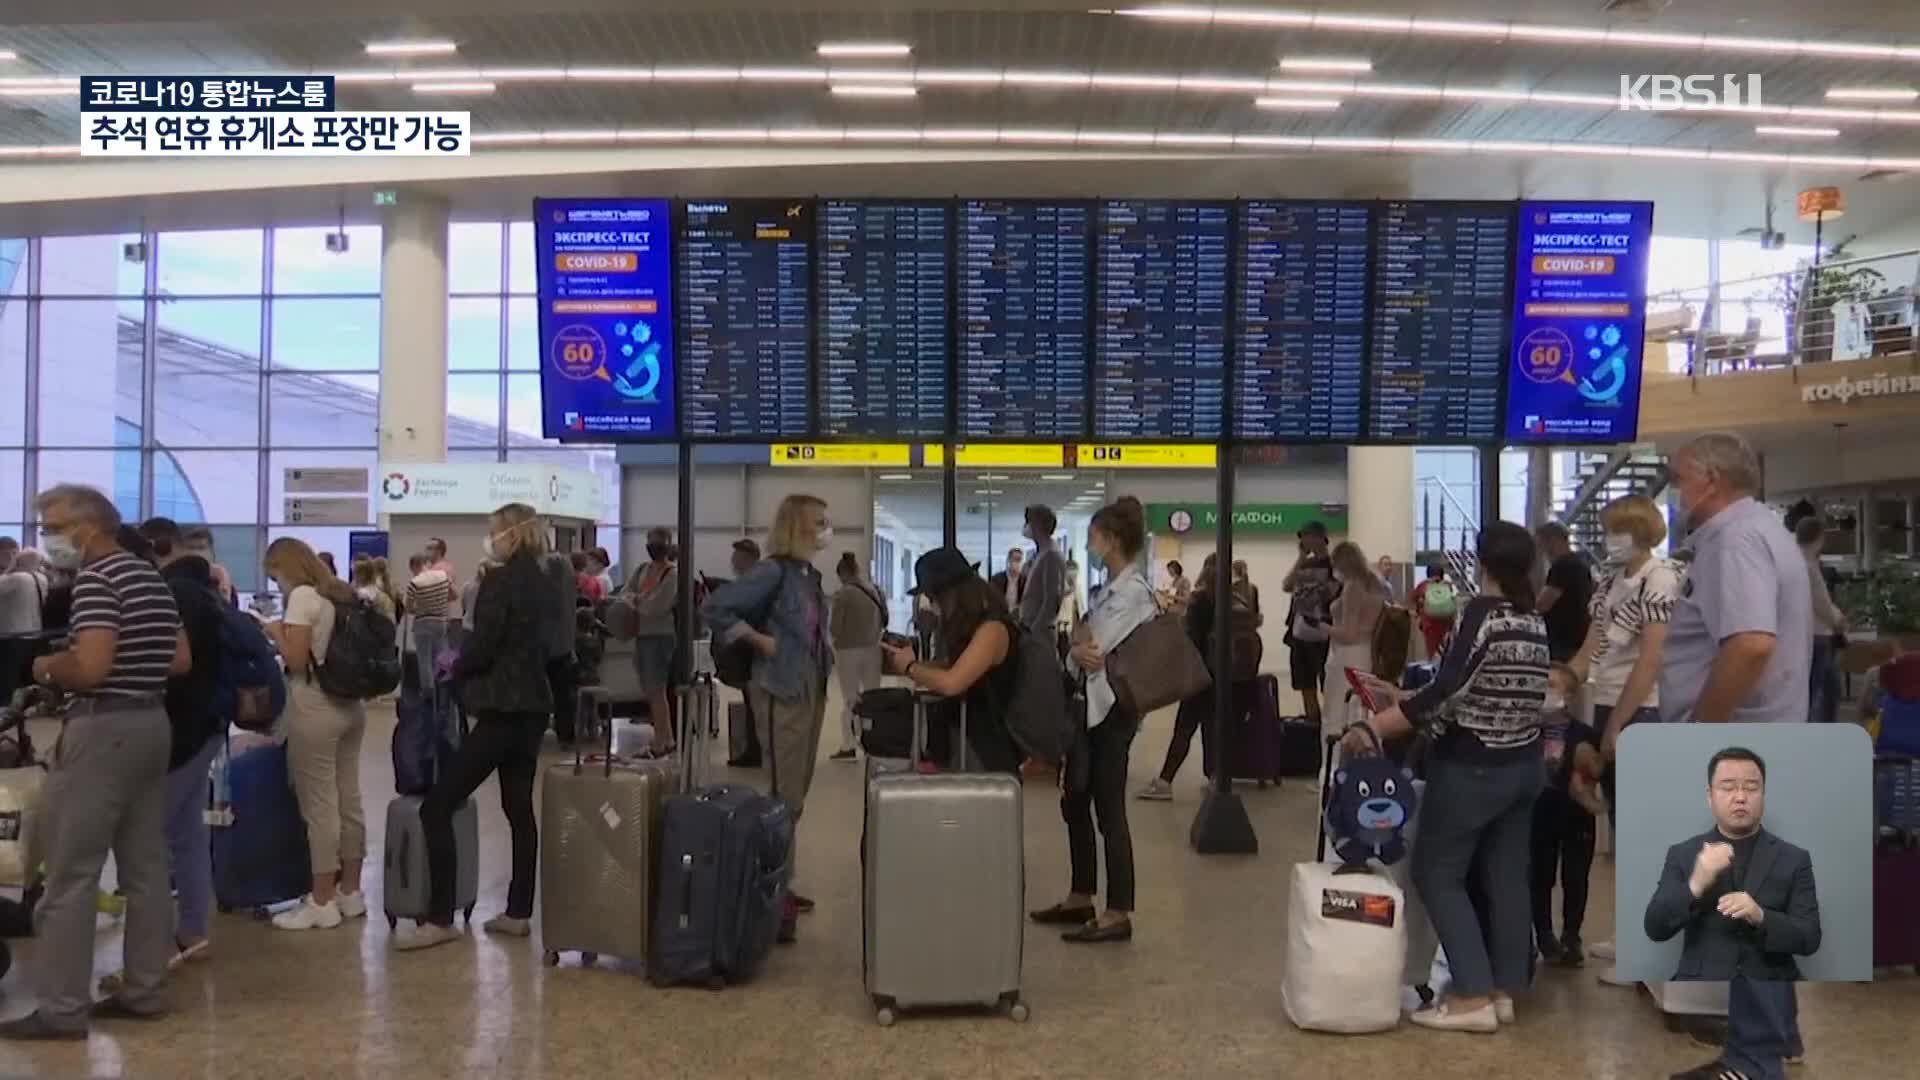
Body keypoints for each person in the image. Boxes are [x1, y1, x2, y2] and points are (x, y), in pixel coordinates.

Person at [1341, 521, 1551, 1032]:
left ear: (1482, 563)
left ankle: (1472, 996)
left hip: (1474, 768)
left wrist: (1374, 724)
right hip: (1524, 767)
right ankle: (1504, 989)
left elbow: (1448, 691)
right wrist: (1410, 702)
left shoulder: (1481, 613)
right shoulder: (1531, 619)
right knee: (1505, 878)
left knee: (1437, 873)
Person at [0, 489, 185, 1040]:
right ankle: (146, 991)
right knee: (146, 870)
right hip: (152, 725)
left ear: (88, 528)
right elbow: (180, 659)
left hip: (103, 730)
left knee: (68, 873)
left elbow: (93, 668)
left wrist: (48, 666)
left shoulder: (99, 580)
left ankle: (60, 1009)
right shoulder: (150, 576)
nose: (47, 537)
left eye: (52, 526)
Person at [398, 504, 556, 951]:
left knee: (438, 805)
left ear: (513, 534)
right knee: (519, 809)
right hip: (533, 707)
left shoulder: (499, 581)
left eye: (494, 532)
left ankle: (439, 916)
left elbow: (484, 645)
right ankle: (519, 911)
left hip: (500, 708)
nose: (491, 540)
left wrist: (457, 665)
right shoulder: (547, 580)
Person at [702, 494, 834, 935]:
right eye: (819, 521)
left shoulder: (807, 575)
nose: (825, 528)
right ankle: (772, 893)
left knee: (795, 792)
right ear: (797, 526)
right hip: (780, 686)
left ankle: (781, 884)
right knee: (783, 794)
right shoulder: (772, 570)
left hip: (808, 685)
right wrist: (760, 641)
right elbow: (715, 608)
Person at [1647, 748, 1820, 1080]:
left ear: (1763, 795)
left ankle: (1752, 1064)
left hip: (1767, 978)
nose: (1740, 796)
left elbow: (1809, 937)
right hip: (1701, 984)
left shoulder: (1794, 858)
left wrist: (1761, 915)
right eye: (1728, 787)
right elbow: (1654, 927)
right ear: (1709, 797)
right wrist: (1697, 883)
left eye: (1751, 788)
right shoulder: (1684, 854)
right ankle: (1752, 1056)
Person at [1030, 499, 1157, 945]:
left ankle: (1118, 910)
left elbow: (1093, 645)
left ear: (1111, 539)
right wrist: (1076, 648)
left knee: (1109, 811)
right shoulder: (1107, 590)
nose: (1088, 541)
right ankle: (1080, 894)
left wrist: (1080, 647)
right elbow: (1077, 648)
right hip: (1088, 709)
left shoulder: (1134, 593)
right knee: (1075, 802)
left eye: (1094, 534)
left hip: (1112, 714)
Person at [1568, 494, 1682, 974]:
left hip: (1640, 710)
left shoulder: (1660, 580)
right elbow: (1589, 649)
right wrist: (1559, 683)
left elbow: (1650, 660)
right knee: (1620, 830)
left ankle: (1647, 948)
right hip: (1603, 701)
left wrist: (1617, 726)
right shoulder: (1611, 582)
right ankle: (1629, 933)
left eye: (1616, 528)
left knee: (1640, 833)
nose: (1609, 537)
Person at [127, 518, 226, 978]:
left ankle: (148, 955)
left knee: (148, 840)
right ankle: (193, 931)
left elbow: (176, 662)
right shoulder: (205, 590)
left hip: (180, 727)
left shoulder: (174, 594)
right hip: (206, 724)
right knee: (187, 836)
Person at [1660, 432, 1812, 726]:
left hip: (1733, 741)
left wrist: (1702, 731)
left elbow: (1750, 644)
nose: (1674, 490)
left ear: (1711, 480)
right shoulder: (1762, 529)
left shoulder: (1735, 540)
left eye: (1679, 479)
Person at [261, 537, 370, 932]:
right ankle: (351, 892)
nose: (274, 582)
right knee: (349, 798)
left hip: (315, 704)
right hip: (351, 706)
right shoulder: (341, 594)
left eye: (274, 573)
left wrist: (273, 630)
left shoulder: (302, 597)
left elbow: (295, 660)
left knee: (319, 805)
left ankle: (321, 899)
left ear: (285, 567)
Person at [881, 547, 1023, 775]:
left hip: (987, 753)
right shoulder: (974, 628)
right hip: (967, 742)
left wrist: (911, 667)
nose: (932, 604)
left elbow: (952, 682)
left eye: (933, 597)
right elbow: (956, 667)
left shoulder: (992, 630)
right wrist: (916, 665)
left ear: (951, 593)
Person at [1139, 553, 1251, 800]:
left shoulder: (1200, 600)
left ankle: (1165, 781)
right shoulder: (1233, 599)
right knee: (1214, 727)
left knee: (1185, 727)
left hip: (1200, 672)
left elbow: (1190, 638)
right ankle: (1216, 778)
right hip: (1225, 674)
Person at [1531, 663, 1606, 968]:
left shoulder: (1586, 734)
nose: (1544, 693)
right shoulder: (1526, 733)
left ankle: (1572, 935)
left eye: (1551, 686)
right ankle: (1545, 935)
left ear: (1570, 695)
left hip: (1575, 814)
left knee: (1576, 876)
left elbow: (1599, 773)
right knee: (1539, 876)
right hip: (1539, 811)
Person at [1323, 540, 1388, 779]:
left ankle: (1333, 773)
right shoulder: (1376, 584)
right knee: (1359, 714)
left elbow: (1348, 633)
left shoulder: (1353, 586)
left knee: (1337, 715)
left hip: (1348, 655)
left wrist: (1323, 627)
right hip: (1367, 654)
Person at [620, 526, 681, 757]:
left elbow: (658, 607)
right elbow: (625, 593)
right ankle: (665, 737)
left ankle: (663, 740)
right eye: (650, 540)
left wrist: (637, 602)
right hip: (642, 635)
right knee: (649, 689)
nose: (654, 545)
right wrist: (638, 601)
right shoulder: (642, 570)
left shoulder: (672, 575)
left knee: (657, 689)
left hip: (661, 637)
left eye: (658, 541)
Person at [828, 552, 886, 763]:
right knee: (873, 698)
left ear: (843, 573)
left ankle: (849, 745)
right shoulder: (875, 590)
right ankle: (875, 743)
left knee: (851, 699)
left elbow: (835, 627)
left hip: (849, 652)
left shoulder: (843, 594)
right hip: (873, 649)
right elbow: (883, 621)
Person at [1283, 521, 1335, 736]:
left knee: (1327, 684)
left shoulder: (1334, 565)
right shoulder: (1304, 564)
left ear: (1320, 537)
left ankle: (1329, 725)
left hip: (1324, 632)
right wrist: (1301, 559)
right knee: (1305, 683)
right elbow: (1287, 585)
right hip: (1299, 631)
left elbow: (1334, 592)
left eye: (1307, 536)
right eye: (1302, 538)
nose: (1303, 541)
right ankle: (1312, 727)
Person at [1796, 517, 1844, 724]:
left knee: (1819, 687)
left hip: (1803, 634)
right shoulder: (1808, 565)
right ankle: (1822, 731)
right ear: (1819, 537)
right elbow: (1822, 603)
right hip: (1818, 635)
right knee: (1820, 690)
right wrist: (1838, 620)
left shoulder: (1794, 560)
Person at [727, 537, 764, 768]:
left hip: (756, 651)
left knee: (755, 704)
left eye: (736, 557)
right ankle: (754, 748)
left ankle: (756, 751)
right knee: (752, 703)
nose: (732, 561)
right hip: (748, 650)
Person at [1536, 522, 1594, 663]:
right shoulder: (1580, 563)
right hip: (1578, 635)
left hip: (1561, 640)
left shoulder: (1562, 566)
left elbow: (1543, 604)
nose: (1541, 550)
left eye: (1541, 544)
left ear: (1553, 540)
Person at [542, 546, 579, 749]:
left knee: (542, 693)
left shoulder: (548, 566)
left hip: (545, 644)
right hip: (564, 642)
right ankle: (566, 736)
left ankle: (539, 734)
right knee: (564, 694)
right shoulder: (566, 565)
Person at [405, 552, 455, 696]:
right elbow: (454, 595)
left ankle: (428, 693)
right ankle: (445, 690)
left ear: (414, 566)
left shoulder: (415, 582)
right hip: (441, 621)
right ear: (426, 563)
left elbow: (408, 608)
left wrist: (421, 608)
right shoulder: (443, 575)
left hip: (423, 623)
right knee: (443, 656)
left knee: (424, 660)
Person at [1017, 505, 1067, 641]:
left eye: (1029, 522)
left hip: (1039, 635)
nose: (1026, 526)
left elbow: (1052, 599)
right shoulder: (1040, 554)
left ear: (1037, 525)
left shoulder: (1051, 555)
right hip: (1030, 629)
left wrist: (1035, 631)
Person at [1411, 563, 1457, 660]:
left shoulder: (1423, 585)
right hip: (1445, 621)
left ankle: (1433, 669)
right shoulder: (1447, 585)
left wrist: (1419, 611)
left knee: (1432, 651)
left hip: (1429, 623)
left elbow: (1413, 598)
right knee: (1445, 649)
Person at [351, 557, 396, 621]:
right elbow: (391, 622)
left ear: (361, 575)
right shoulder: (385, 597)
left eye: (354, 573)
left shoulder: (360, 595)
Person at [989, 547, 1024, 611]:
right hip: (1001, 614)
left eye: (1019, 560)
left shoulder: (1024, 580)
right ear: (1009, 560)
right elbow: (991, 600)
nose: (1017, 562)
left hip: (1018, 616)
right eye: (1015, 559)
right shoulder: (997, 579)